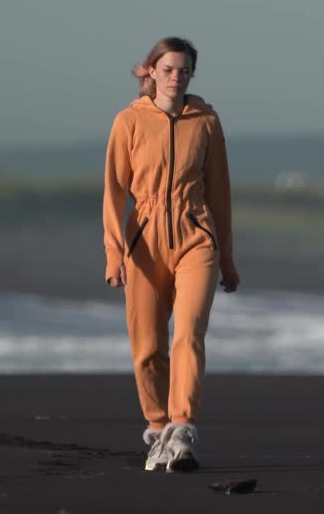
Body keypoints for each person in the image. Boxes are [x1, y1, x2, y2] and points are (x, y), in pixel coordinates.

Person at [102, 37, 240, 473]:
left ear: (191, 75)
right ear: (151, 72)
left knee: (188, 336)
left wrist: (229, 258)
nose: (176, 76)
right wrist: (113, 253)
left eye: (184, 70)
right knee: (147, 348)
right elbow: (114, 191)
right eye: (168, 69)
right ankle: (157, 428)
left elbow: (220, 193)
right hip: (143, 246)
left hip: (196, 239)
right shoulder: (129, 121)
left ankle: (181, 432)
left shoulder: (207, 121)